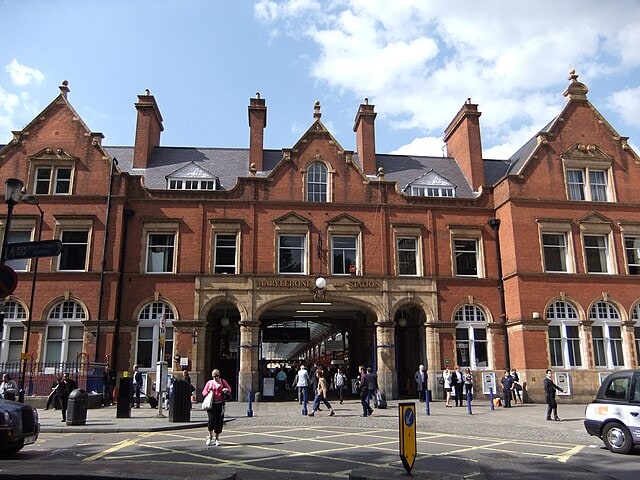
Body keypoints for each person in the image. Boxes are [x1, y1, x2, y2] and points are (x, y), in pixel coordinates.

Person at [201, 368, 231, 446]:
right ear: (212, 376)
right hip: (211, 404)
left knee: (219, 421)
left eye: (217, 376)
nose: (216, 378)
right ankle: (210, 437)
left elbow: (230, 389)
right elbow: (203, 392)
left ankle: (217, 439)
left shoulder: (223, 382)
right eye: (214, 376)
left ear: (219, 375)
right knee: (211, 420)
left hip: (220, 404)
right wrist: (207, 392)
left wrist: (225, 389)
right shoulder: (209, 383)